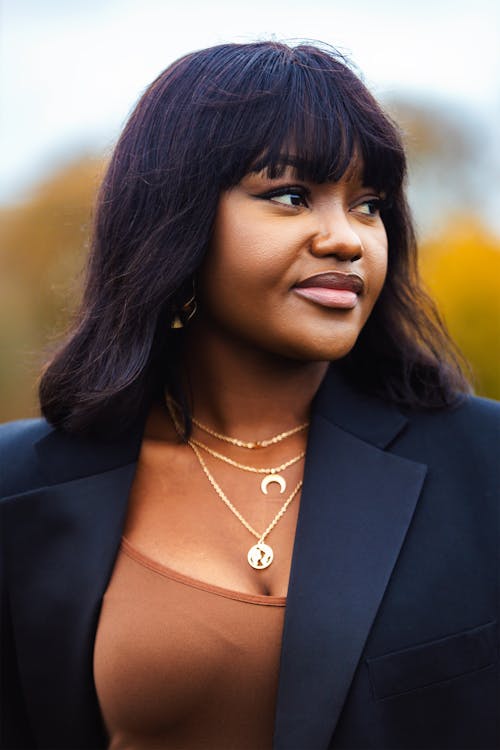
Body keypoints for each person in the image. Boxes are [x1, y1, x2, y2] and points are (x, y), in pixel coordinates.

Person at [0, 40, 498, 750]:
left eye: (369, 205)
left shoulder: (484, 466)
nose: (345, 238)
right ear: (177, 219)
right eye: (291, 196)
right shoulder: (22, 488)